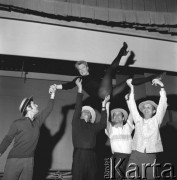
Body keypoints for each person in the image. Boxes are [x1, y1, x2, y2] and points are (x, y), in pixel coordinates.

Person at [54, 42, 161, 100]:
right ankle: (121, 52)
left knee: (128, 81)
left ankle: (151, 78)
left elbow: (107, 77)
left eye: (83, 68)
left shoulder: (95, 73)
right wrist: (56, 87)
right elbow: (67, 86)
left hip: (110, 93)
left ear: (87, 67)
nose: (81, 71)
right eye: (79, 69)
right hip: (102, 94)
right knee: (109, 71)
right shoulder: (79, 79)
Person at [0, 85, 57, 180]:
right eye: (34, 104)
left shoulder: (37, 122)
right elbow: (8, 139)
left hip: (29, 161)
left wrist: (53, 93)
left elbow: (48, 109)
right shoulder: (17, 123)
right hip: (14, 160)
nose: (37, 105)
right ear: (28, 108)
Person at [125, 78, 168, 179]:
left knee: (149, 177)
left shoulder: (156, 120)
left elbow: (162, 104)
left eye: (149, 107)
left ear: (154, 111)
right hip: (136, 153)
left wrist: (162, 86)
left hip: (150, 155)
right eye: (144, 107)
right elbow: (132, 106)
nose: (146, 109)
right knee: (130, 176)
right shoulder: (138, 120)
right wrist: (131, 88)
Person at [71, 78, 110, 180]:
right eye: (84, 112)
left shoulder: (93, 127)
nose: (86, 113)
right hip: (79, 154)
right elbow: (78, 107)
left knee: (91, 177)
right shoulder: (76, 123)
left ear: (91, 117)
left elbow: (102, 123)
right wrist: (80, 88)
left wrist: (103, 106)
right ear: (80, 114)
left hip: (92, 155)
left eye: (88, 112)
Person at [105, 94, 134, 179]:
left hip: (131, 157)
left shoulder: (128, 127)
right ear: (113, 119)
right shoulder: (111, 129)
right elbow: (105, 120)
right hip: (118, 158)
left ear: (123, 118)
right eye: (114, 115)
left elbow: (133, 113)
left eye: (119, 115)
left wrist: (127, 100)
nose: (117, 116)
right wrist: (107, 105)